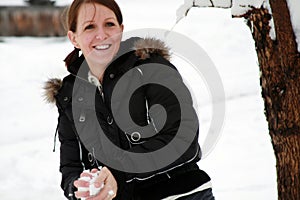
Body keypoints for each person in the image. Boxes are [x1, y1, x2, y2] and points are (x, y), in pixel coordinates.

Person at [44, 0, 215, 199]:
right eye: (90, 26)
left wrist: (119, 173)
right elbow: (71, 166)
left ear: (121, 29)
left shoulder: (150, 68)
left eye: (109, 24)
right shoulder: (69, 94)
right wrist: (81, 187)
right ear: (74, 38)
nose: (102, 35)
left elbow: (182, 140)